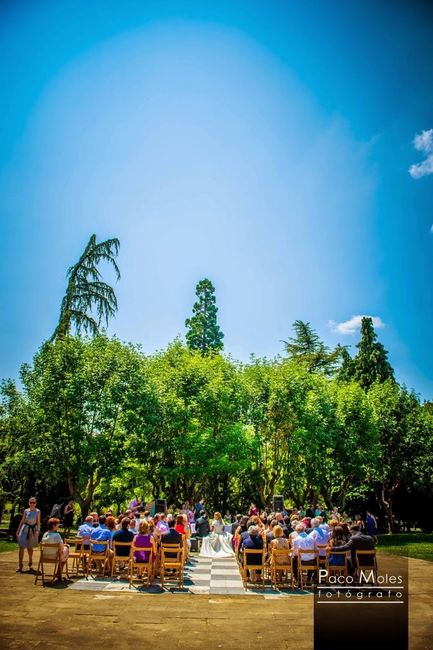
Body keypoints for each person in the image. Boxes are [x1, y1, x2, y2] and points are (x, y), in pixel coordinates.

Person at [16, 497, 41, 572]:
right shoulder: (26, 511)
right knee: (21, 547)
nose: (32, 504)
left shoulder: (38, 511)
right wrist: (18, 530)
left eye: (34, 502)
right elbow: (22, 520)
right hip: (24, 529)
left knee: (30, 548)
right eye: (31, 502)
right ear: (29, 503)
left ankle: (30, 559)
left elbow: (38, 522)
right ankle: (20, 565)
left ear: (36, 503)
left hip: (33, 529)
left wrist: (38, 530)